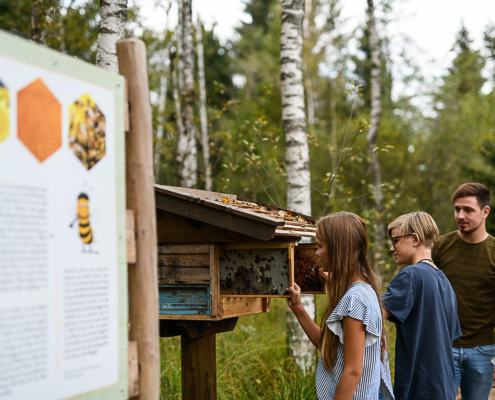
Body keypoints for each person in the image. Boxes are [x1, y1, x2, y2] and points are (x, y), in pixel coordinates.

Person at [287, 212, 394, 400]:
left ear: (338, 249)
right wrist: (298, 308)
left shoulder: (354, 301)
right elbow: (329, 347)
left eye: (320, 246)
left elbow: (353, 371)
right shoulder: (366, 291)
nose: (317, 253)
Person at [382, 211, 461, 400]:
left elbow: (370, 313)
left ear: (415, 239)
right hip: (444, 386)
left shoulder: (410, 275)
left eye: (396, 241)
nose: (392, 249)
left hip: (419, 388)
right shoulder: (444, 281)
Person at [432, 183, 495, 400]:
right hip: (443, 346)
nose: (460, 215)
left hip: (484, 350)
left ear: (485, 211)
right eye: (457, 209)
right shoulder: (440, 247)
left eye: (468, 210)